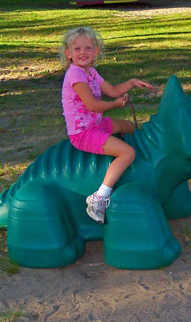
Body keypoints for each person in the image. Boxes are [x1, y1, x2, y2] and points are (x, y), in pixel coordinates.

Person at [60, 27, 154, 223]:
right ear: (68, 54)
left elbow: (111, 90)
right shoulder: (75, 75)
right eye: (77, 49)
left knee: (129, 127)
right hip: (83, 133)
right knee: (128, 152)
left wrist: (131, 82)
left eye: (88, 48)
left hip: (97, 124)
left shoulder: (91, 72)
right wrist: (115, 104)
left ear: (95, 51)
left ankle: (139, 167)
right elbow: (93, 105)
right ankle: (98, 198)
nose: (83, 52)